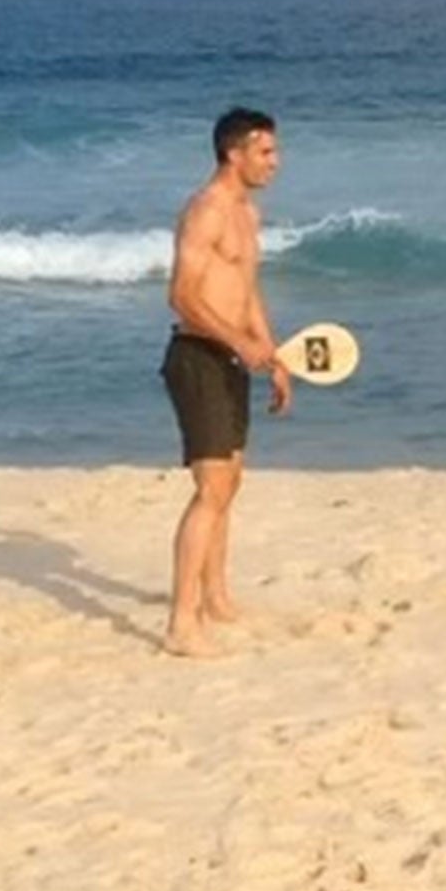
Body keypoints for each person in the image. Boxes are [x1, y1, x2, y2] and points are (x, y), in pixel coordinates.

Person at [159, 107, 293, 657]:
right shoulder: (206, 210)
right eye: (266, 152)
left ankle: (215, 596)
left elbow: (246, 289)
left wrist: (275, 353)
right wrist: (239, 342)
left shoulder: (248, 214)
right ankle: (180, 625)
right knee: (211, 490)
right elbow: (182, 296)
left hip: (234, 360)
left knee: (229, 484)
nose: (275, 163)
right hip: (198, 357)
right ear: (234, 153)